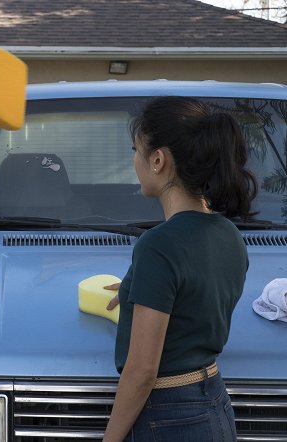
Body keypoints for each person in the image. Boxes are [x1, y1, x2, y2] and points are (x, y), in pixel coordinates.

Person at [103, 96, 257, 441]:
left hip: (168, 416)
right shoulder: (229, 235)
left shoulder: (158, 245)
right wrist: (135, 289)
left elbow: (142, 372)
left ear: (158, 160)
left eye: (135, 150)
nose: (134, 160)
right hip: (215, 404)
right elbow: (195, 290)